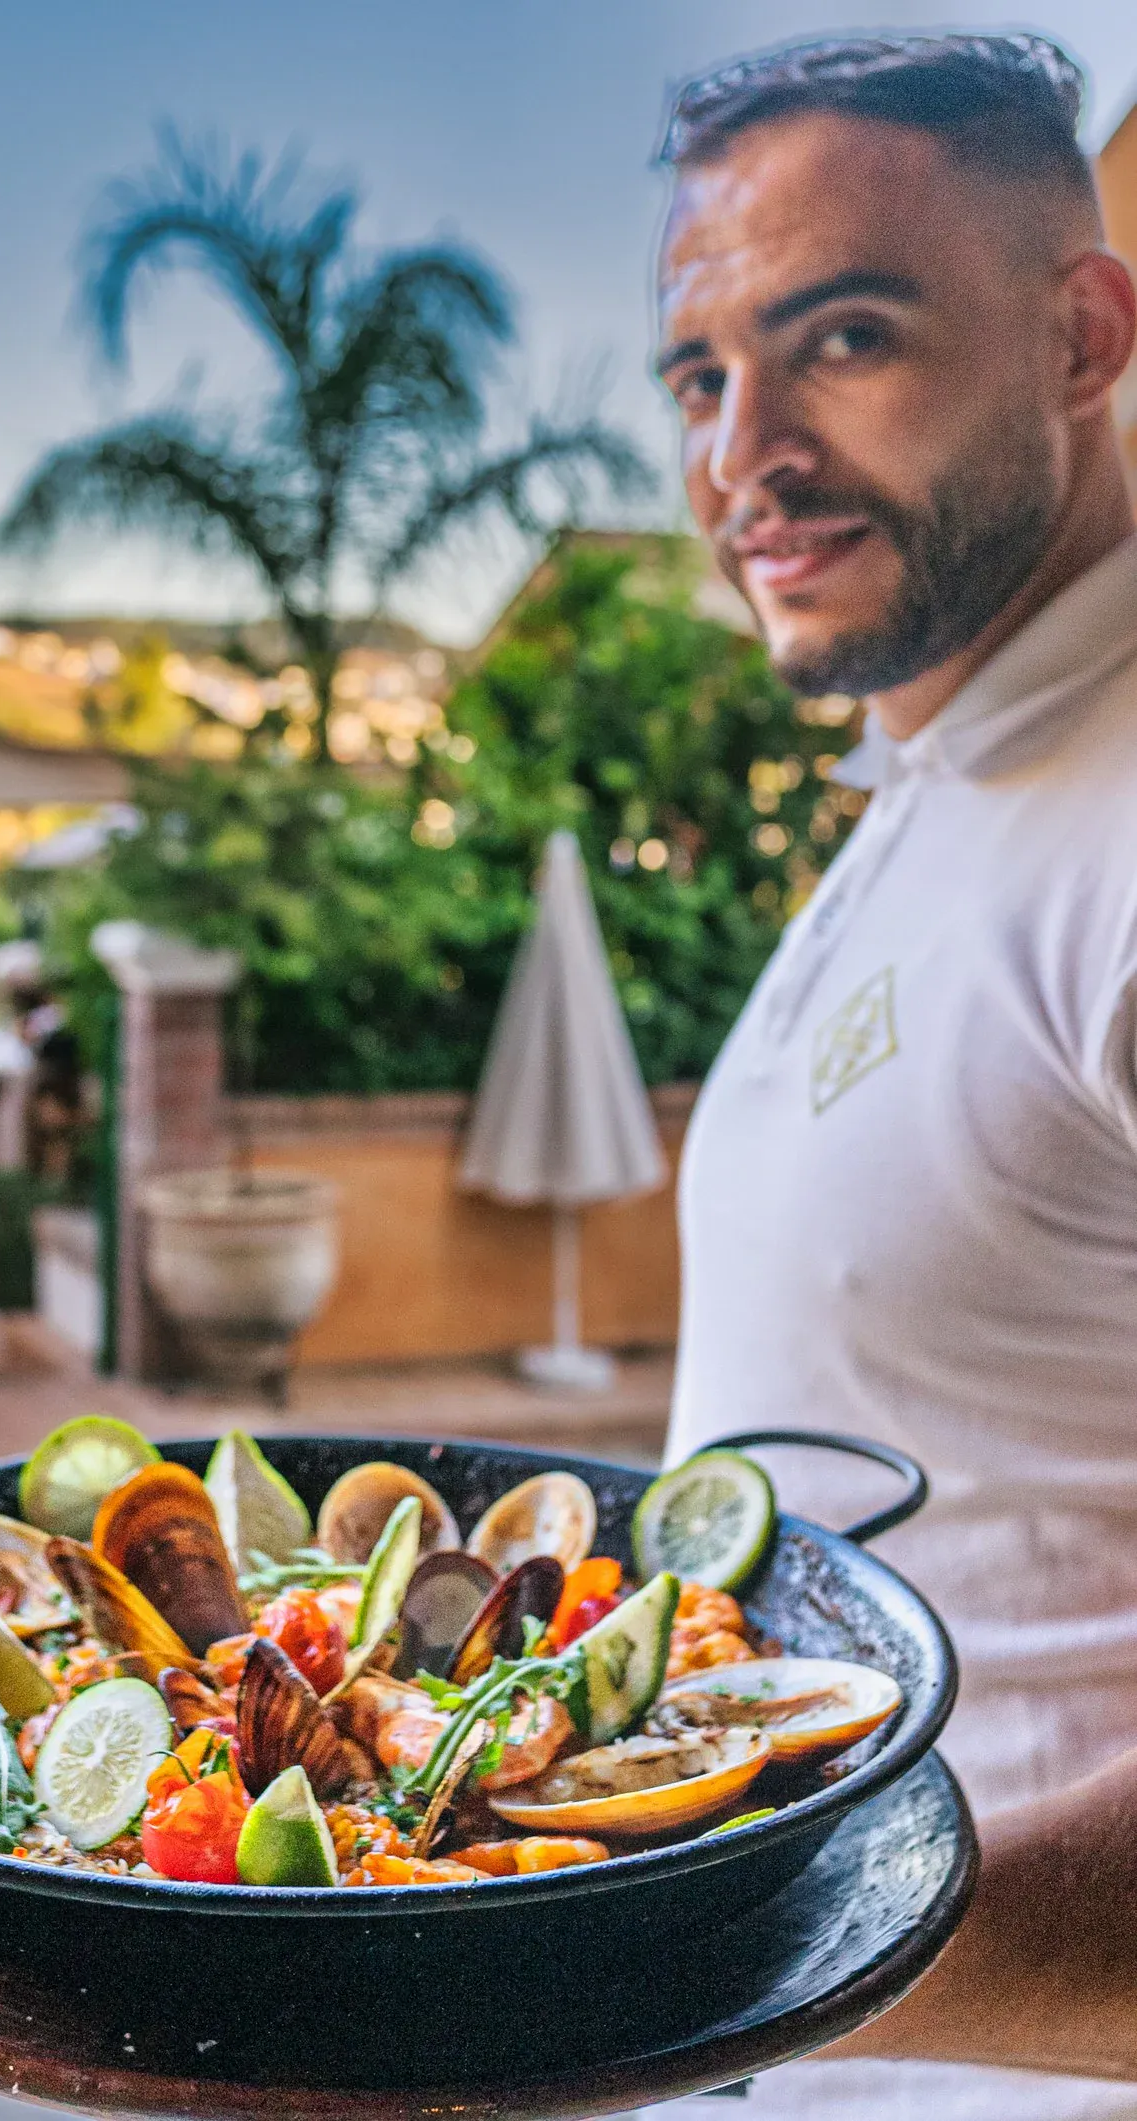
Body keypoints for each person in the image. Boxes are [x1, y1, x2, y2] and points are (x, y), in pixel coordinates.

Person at [651, 31, 1137, 2116]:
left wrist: (661, 1969)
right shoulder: (936, 779)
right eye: (694, 375)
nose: (738, 451)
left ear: (1082, 332)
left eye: (837, 335)